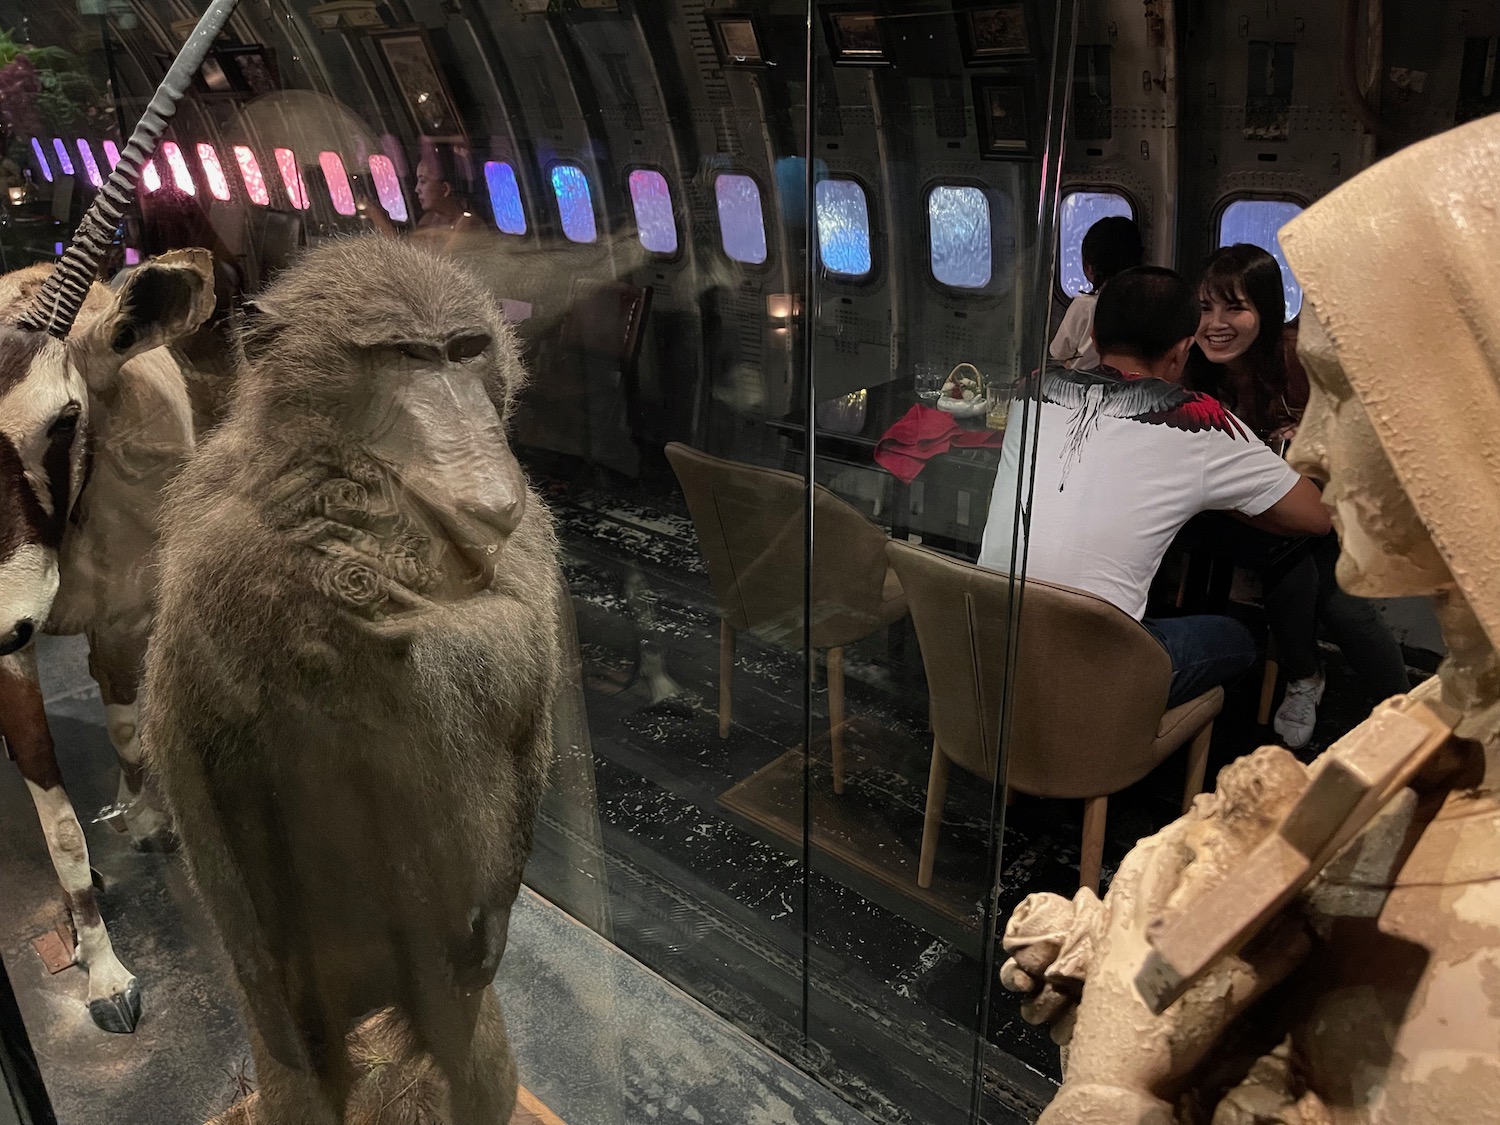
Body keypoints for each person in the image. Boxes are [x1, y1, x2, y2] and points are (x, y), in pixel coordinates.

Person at [979, 266, 1330, 708]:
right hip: (1092, 680)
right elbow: (1317, 517)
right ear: (1183, 351)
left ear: (1092, 332)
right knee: (1237, 639)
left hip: (984, 652)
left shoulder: (1031, 389)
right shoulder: (1201, 420)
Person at [1184, 244, 1410, 747]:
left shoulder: (1297, 361)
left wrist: (1306, 442)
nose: (1215, 324)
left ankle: (1402, 713)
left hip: (1329, 497)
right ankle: (1305, 678)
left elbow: (1356, 440)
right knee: (1285, 555)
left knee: (1340, 602)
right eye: (1204, 308)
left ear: (1265, 312)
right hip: (1246, 507)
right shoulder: (1195, 367)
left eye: (1234, 308)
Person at [1050, 215, 1143, 371]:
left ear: (1089, 267)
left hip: (1079, 389)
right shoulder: (1144, 305)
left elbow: (1059, 353)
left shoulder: (1084, 307)